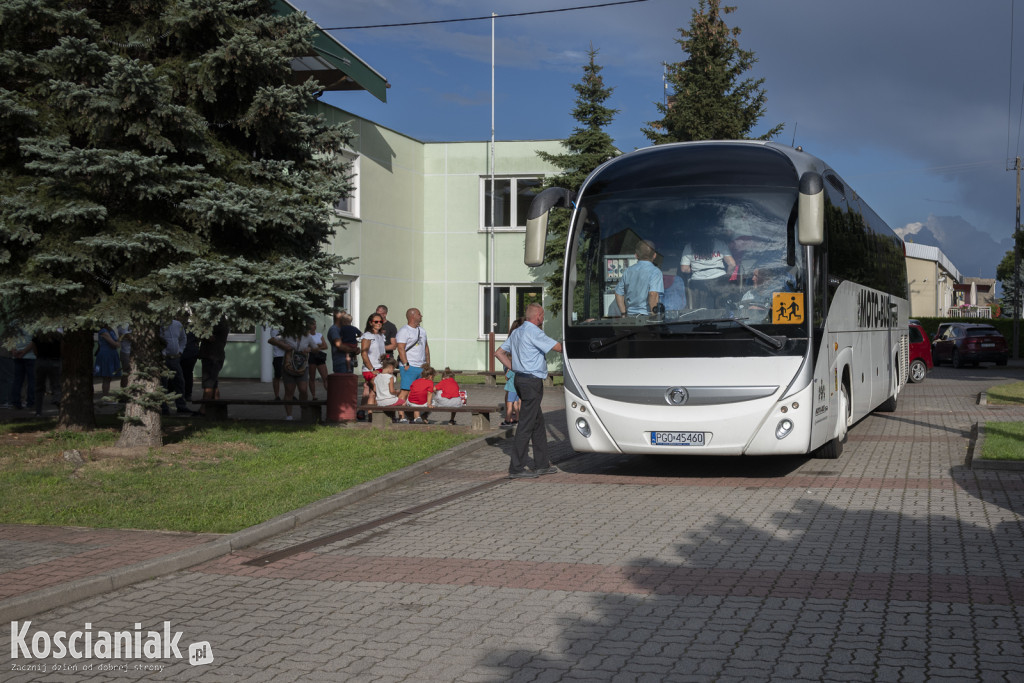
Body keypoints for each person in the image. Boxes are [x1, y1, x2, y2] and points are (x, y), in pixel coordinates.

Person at [494, 302, 563, 479]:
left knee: (537, 422)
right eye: (543, 315)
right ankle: (516, 467)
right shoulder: (534, 332)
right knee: (526, 423)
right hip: (532, 382)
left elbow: (499, 353)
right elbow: (559, 348)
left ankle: (541, 464)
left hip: (520, 380)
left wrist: (515, 367)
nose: (543, 318)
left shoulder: (517, 332)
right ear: (538, 315)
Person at [268, 330, 317, 421]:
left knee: (303, 390)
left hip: (302, 366)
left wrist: (310, 349)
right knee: (289, 391)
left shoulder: (307, 336)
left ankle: (303, 409)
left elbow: (316, 348)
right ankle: (289, 415)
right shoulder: (287, 335)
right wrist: (283, 345)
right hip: (288, 366)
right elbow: (271, 340)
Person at [680, 235, 736, 309]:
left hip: (698, 283)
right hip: (720, 280)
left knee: (701, 313)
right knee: (724, 310)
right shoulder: (719, 243)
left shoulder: (689, 246)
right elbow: (732, 264)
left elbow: (684, 269)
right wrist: (726, 277)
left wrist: (695, 269)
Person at [614, 239, 664, 316]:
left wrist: (623, 314)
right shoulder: (655, 272)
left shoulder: (628, 271)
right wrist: (655, 318)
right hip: (647, 317)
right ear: (654, 255)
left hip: (631, 318)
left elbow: (618, 293)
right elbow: (653, 294)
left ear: (636, 255)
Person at [359, 313, 394, 414]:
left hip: (380, 367)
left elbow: (382, 353)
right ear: (370, 323)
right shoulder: (367, 336)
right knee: (378, 390)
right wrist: (372, 369)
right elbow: (364, 353)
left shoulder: (381, 335)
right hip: (370, 369)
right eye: (376, 322)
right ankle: (377, 413)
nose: (379, 323)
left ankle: (369, 413)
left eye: (380, 321)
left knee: (372, 393)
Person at [196, 318, 230, 417]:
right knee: (214, 384)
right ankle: (215, 409)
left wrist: (199, 330)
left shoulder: (217, 323)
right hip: (215, 356)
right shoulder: (222, 322)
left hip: (211, 357)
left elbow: (209, 337)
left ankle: (203, 410)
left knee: (208, 385)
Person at [396, 308, 430, 405]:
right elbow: (401, 348)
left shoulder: (422, 331)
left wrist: (428, 363)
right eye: (419, 314)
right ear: (412, 316)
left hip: (421, 366)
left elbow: (426, 347)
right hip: (409, 366)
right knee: (405, 391)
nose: (421, 316)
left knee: (417, 392)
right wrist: (406, 363)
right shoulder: (404, 331)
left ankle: (413, 416)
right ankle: (401, 416)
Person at [160, 318, 190, 415]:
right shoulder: (158, 324)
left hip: (175, 358)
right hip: (162, 359)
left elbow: (183, 338)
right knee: (163, 383)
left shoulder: (177, 324)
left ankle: (181, 406)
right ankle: (164, 408)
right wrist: (162, 353)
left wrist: (180, 351)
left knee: (179, 381)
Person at [31, 330, 62, 418]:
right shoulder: (58, 336)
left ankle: (38, 411)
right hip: (55, 361)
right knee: (56, 385)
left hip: (41, 361)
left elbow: (35, 350)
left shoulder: (37, 335)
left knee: (39, 387)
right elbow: (62, 349)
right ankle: (58, 405)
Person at [9, 329, 36, 410]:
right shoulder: (34, 324)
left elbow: (10, 339)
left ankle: (16, 402)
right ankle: (30, 403)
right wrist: (24, 351)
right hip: (30, 356)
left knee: (17, 380)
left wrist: (13, 350)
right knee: (31, 380)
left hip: (17, 356)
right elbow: (34, 341)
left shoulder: (13, 323)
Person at [94, 326, 121, 401]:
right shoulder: (103, 331)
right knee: (106, 377)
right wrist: (118, 343)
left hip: (111, 354)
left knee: (109, 378)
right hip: (106, 355)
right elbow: (114, 344)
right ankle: (105, 397)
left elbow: (117, 341)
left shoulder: (111, 330)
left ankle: (106, 397)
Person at [306, 319, 329, 400]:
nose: (314, 326)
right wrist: (317, 346)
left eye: (315, 324)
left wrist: (316, 347)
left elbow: (325, 346)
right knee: (312, 377)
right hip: (311, 356)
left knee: (325, 377)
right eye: (312, 324)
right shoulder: (307, 336)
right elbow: (307, 347)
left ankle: (329, 394)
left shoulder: (319, 335)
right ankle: (313, 396)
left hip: (319, 356)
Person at [268, 327, 286, 401]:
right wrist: (285, 344)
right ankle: (277, 396)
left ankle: (289, 394)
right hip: (278, 356)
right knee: (277, 375)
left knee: (289, 377)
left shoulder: (288, 326)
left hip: (288, 355)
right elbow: (274, 340)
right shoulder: (275, 328)